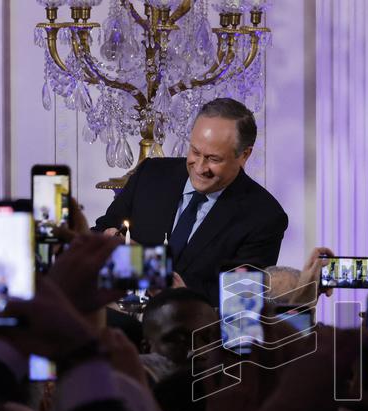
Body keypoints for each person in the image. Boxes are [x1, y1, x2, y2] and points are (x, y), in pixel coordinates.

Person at [95, 98, 288, 305]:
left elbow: (241, 298)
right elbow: (98, 235)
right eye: (195, 152)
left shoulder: (264, 217)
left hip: (196, 324)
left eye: (214, 159)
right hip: (122, 317)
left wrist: (167, 282)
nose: (200, 167)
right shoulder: (151, 174)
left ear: (244, 155)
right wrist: (110, 241)